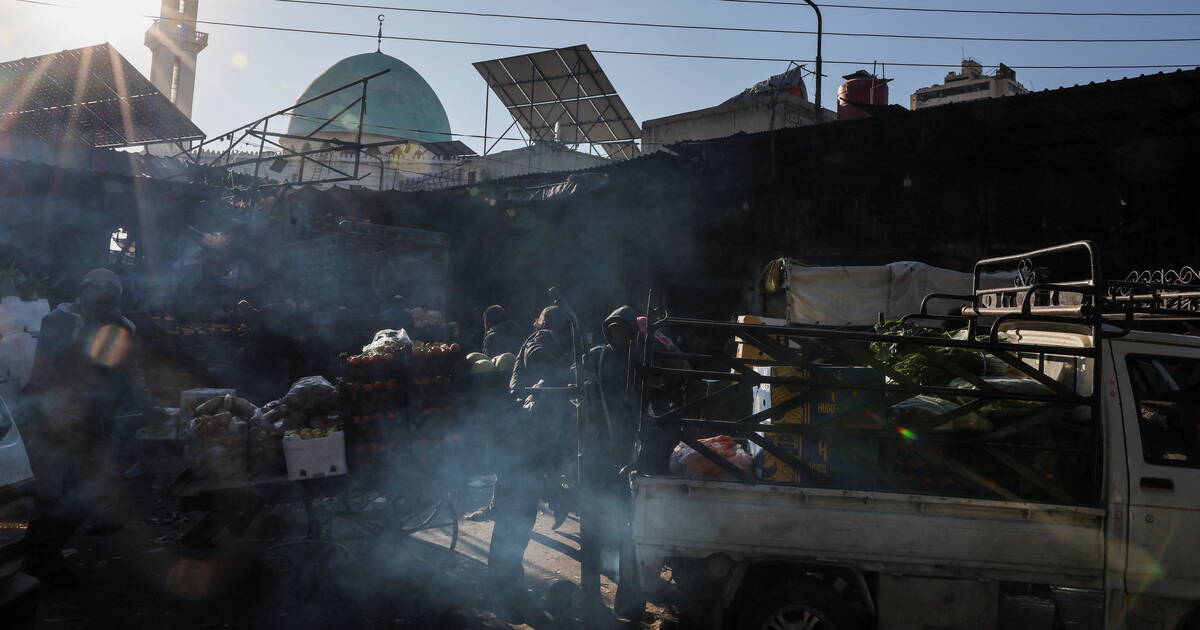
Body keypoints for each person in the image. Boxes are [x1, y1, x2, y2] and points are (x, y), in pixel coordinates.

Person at [17, 268, 161, 586]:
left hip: (92, 420)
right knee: (53, 493)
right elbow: (46, 371)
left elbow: (131, 373)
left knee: (84, 494)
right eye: (98, 295)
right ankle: (39, 560)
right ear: (84, 293)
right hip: (52, 417)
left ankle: (41, 555)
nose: (103, 303)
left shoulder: (121, 326)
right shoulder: (61, 321)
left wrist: (148, 407)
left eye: (110, 298)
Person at [487, 305, 574, 620]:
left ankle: (506, 588)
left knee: (517, 519)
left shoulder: (545, 338)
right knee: (515, 519)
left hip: (524, 447)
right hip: (522, 447)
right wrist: (569, 371)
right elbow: (537, 360)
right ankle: (504, 593)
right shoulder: (542, 337)